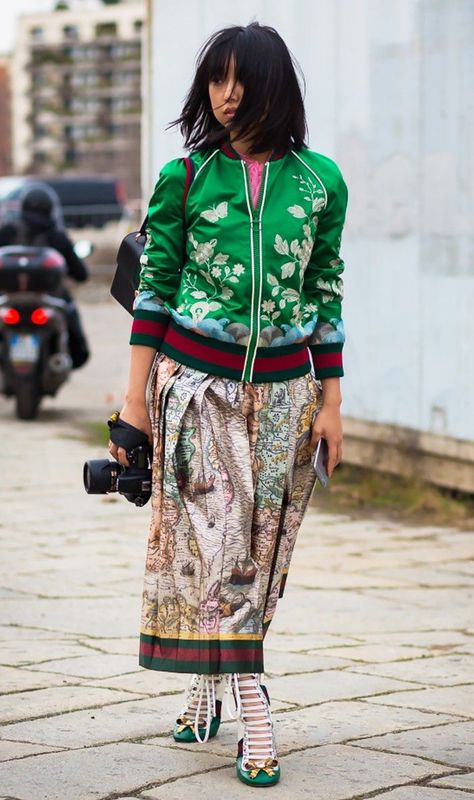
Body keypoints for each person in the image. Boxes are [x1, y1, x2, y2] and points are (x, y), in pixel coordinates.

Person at [109, 22, 348, 787]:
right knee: (222, 545)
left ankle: (207, 680)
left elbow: (324, 292)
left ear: (277, 86)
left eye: (243, 79)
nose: (229, 94)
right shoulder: (185, 177)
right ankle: (256, 706)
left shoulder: (320, 184)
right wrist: (134, 405)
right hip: (197, 388)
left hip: (287, 394)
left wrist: (333, 401)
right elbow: (152, 294)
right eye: (216, 79)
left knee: (262, 554)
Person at [0, 183, 90, 368]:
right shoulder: (57, 237)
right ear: (50, 209)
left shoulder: (7, 232)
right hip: (50, 300)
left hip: (8, 299)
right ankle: (62, 360)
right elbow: (81, 274)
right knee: (70, 312)